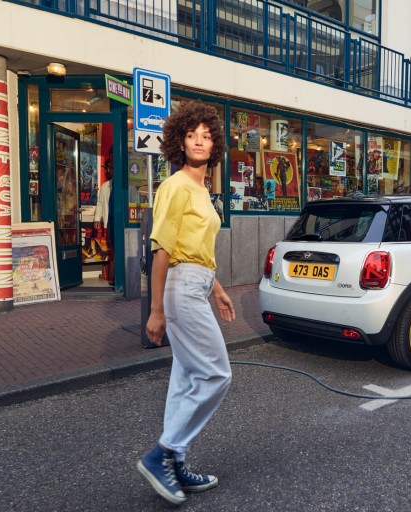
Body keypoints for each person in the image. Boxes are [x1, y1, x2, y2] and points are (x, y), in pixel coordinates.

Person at [137, 101, 235, 506]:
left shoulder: (201, 188)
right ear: (179, 141)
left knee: (184, 381)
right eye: (192, 134)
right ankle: (163, 452)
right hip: (178, 288)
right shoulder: (176, 185)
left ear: (214, 145)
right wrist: (156, 310)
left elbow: (196, 248)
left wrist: (218, 288)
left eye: (206, 135)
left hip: (197, 284)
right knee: (216, 374)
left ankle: (175, 460)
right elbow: (162, 250)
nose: (199, 140)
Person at [93, 157, 114, 285]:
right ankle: (112, 276)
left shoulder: (124, 185)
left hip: (121, 223)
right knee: (111, 249)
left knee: (117, 250)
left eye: (112, 167)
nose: (111, 170)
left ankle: (115, 276)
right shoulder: (105, 186)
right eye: (109, 168)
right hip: (109, 222)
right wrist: (97, 218)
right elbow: (100, 203)